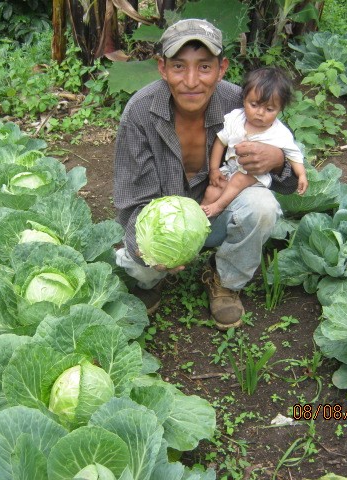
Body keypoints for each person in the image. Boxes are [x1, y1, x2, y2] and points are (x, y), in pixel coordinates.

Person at [113, 18, 297, 330]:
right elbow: (132, 200)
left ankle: (225, 280)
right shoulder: (140, 112)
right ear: (162, 68)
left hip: (217, 211)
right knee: (141, 268)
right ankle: (153, 279)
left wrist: (278, 160)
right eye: (179, 67)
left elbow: (290, 182)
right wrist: (149, 248)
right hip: (164, 226)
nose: (191, 80)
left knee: (262, 207)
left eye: (204, 67)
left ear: (222, 68)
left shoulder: (241, 104)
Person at [201, 67, 308, 218]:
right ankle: (200, 221)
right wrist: (214, 170)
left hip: (254, 177)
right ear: (244, 99)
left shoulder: (280, 133)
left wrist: (302, 174)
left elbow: (294, 155)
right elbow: (220, 142)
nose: (260, 113)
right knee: (212, 191)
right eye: (254, 105)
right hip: (230, 170)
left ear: (280, 109)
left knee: (239, 179)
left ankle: (218, 207)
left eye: (269, 109)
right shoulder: (235, 119)